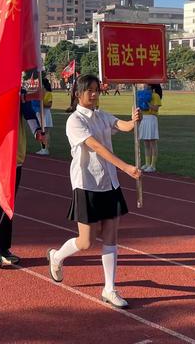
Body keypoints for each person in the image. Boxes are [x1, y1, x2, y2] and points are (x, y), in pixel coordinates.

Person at [47, 74, 141, 308]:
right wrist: (126, 167)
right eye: (89, 90)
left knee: (111, 235)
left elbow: (123, 126)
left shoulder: (102, 116)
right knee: (86, 241)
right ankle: (57, 257)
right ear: (77, 93)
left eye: (96, 90)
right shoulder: (75, 120)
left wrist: (134, 120)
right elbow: (96, 147)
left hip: (109, 183)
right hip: (87, 183)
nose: (94, 93)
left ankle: (109, 288)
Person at [0, 88, 46, 267]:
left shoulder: (20, 91)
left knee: (10, 203)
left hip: (16, 155)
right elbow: (2, 103)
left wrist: (37, 131)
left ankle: (4, 247)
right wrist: (28, 96)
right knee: (2, 201)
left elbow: (27, 113)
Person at [139, 84, 162, 173]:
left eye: (146, 84)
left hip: (152, 118)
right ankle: (147, 163)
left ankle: (153, 165)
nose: (144, 85)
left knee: (152, 142)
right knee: (146, 143)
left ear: (151, 87)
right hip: (144, 118)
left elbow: (156, 108)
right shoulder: (142, 94)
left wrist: (147, 103)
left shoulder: (155, 96)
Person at [34, 78, 53, 156]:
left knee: (45, 132)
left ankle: (45, 149)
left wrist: (40, 103)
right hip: (40, 114)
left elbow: (49, 105)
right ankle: (43, 148)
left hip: (45, 114)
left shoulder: (48, 93)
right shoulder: (40, 92)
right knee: (42, 132)